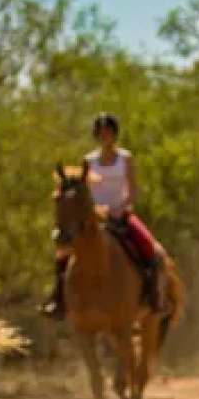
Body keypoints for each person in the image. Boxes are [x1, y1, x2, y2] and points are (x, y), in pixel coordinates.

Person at [40, 112, 161, 319]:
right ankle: (58, 298)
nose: (105, 137)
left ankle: (152, 295)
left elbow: (132, 190)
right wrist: (93, 210)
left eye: (109, 133)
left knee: (148, 246)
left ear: (115, 135)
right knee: (63, 252)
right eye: (101, 133)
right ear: (96, 135)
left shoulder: (125, 158)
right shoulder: (88, 161)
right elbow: (82, 192)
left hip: (120, 213)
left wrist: (120, 207)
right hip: (94, 216)